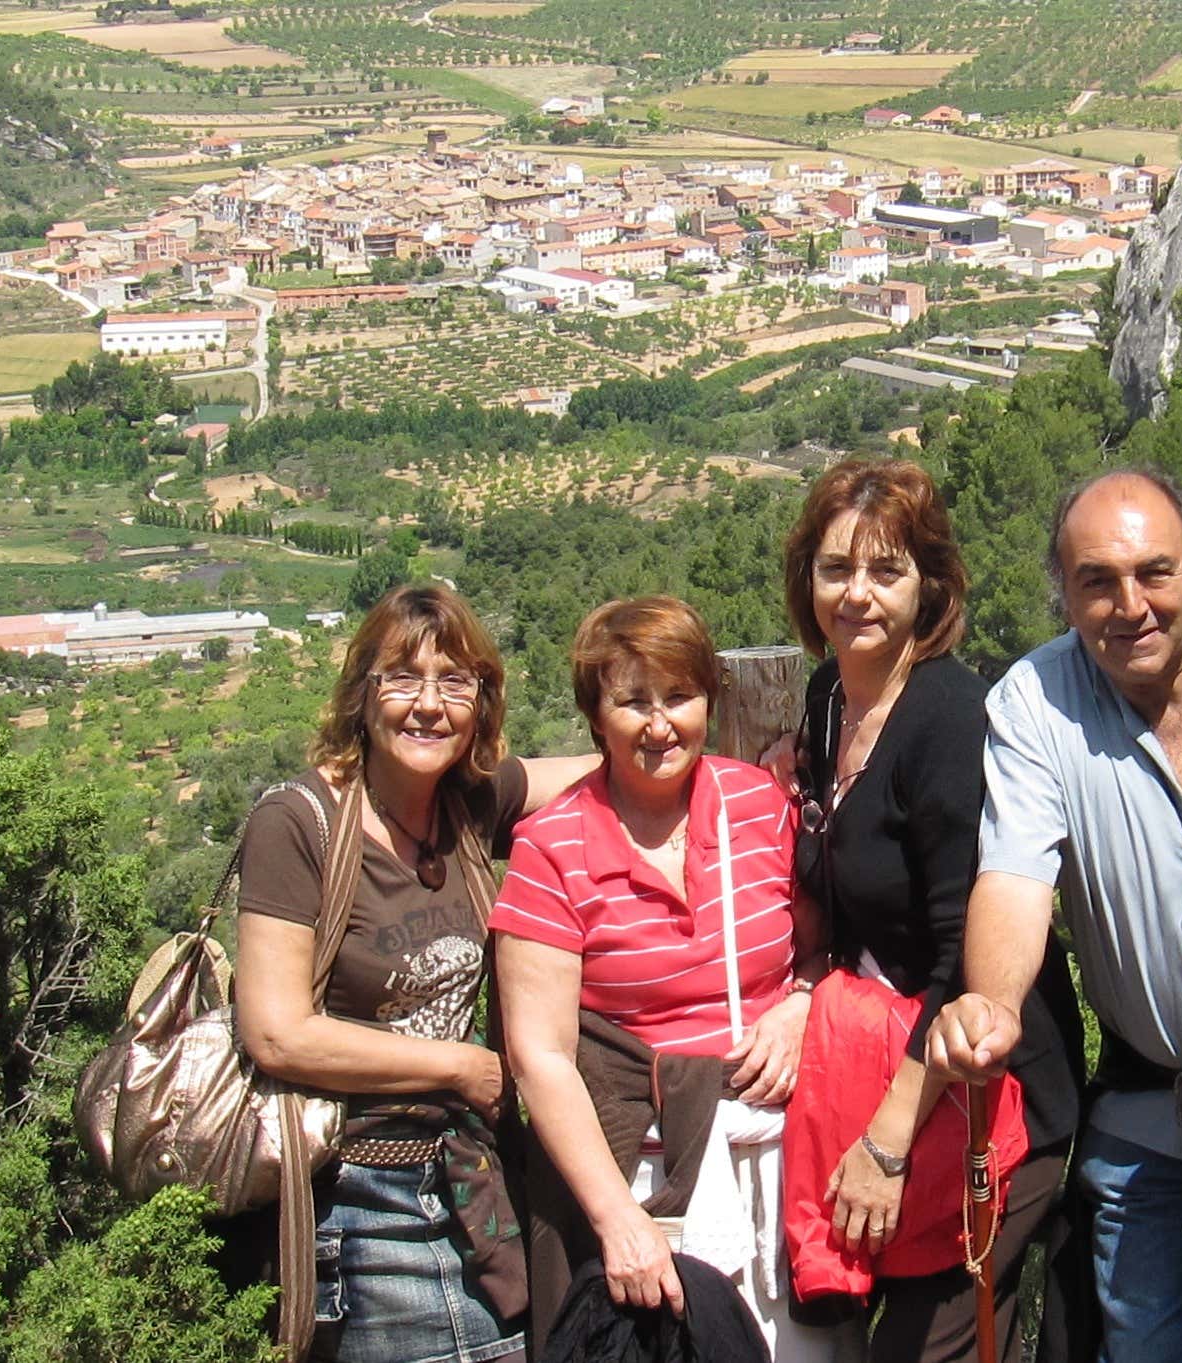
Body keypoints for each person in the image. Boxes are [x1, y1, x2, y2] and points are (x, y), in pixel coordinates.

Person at [922, 468, 1182, 1363]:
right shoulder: (1035, 701)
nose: (1129, 604)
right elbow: (1015, 878)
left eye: (1155, 572)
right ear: (1062, 591)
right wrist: (991, 1001)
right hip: (1157, 1120)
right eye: (1096, 580)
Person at [225, 583, 600, 1363]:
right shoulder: (300, 824)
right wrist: (462, 1065)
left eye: (455, 682)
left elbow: (620, 764)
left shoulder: (468, 806)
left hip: (471, 1187)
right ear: (362, 694)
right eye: (403, 678)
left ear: (481, 704)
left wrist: (751, 764)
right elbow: (276, 1031)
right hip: (356, 1203)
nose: (428, 705)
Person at [772, 459, 1087, 1363]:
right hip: (895, 1070)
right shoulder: (831, 697)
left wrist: (887, 1140)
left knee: (924, 1345)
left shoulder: (948, 719)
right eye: (836, 569)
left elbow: (968, 956)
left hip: (993, 1097)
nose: (857, 594)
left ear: (931, 582)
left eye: (886, 570)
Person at [495, 596, 842, 1363]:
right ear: (596, 714)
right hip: (650, 1178)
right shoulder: (551, 849)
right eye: (632, 702)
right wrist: (621, 1221)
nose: (660, 726)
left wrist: (799, 1003)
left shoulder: (759, 807)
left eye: (679, 697)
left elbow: (821, 948)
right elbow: (540, 1056)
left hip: (789, 1165)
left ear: (708, 702)